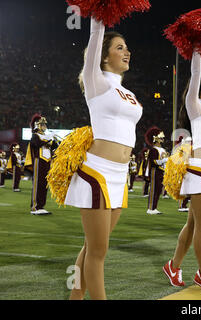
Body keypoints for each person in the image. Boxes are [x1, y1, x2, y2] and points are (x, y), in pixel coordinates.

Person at [66, 18, 143, 300]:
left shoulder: (129, 93)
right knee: (98, 252)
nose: (127, 52)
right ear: (104, 55)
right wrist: (99, 14)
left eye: (127, 47)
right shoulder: (95, 81)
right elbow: (96, 32)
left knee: (91, 248)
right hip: (97, 172)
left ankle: (74, 298)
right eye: (120, 47)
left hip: (120, 176)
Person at [163, 49, 201, 293]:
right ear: (198, 87)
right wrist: (198, 48)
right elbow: (196, 70)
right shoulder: (195, 105)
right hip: (198, 170)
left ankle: (173, 265)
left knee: (192, 226)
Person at [26, 114, 58, 215]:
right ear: (37, 125)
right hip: (38, 162)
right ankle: (35, 207)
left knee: (44, 185)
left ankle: (41, 206)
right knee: (38, 184)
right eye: (43, 125)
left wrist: (55, 139)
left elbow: (55, 146)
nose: (45, 127)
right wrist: (49, 138)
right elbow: (37, 143)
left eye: (45, 125)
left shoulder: (45, 137)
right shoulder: (35, 136)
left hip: (47, 162)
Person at [145, 126, 168, 215]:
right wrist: (163, 161)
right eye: (160, 137)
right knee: (154, 190)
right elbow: (153, 162)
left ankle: (154, 208)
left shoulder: (163, 149)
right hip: (155, 171)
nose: (162, 138)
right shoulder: (153, 150)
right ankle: (150, 208)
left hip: (162, 171)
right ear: (155, 138)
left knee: (158, 190)